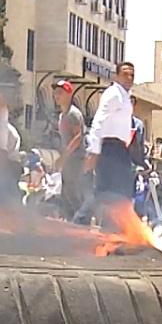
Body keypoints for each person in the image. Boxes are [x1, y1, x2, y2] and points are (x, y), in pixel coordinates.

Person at [82, 61, 137, 229]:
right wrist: (94, 150)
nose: (129, 78)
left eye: (132, 75)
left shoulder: (125, 96)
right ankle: (80, 221)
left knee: (120, 193)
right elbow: (99, 121)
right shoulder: (113, 94)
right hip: (109, 148)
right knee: (104, 192)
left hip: (120, 149)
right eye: (125, 74)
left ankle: (111, 230)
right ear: (116, 76)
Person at [53, 79, 89, 222]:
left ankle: (80, 222)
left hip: (76, 160)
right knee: (66, 194)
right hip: (69, 161)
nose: (56, 96)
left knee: (73, 193)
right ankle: (70, 222)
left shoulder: (73, 114)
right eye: (55, 93)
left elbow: (78, 138)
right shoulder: (62, 115)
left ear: (69, 94)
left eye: (60, 93)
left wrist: (63, 157)